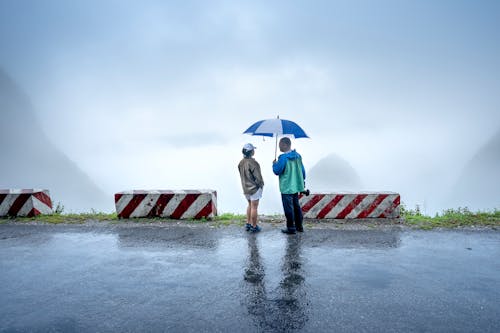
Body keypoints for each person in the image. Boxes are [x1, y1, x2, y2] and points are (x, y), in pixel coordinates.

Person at [272, 137, 306, 234]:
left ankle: (290, 228)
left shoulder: (283, 158)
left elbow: (277, 171)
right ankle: (299, 226)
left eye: (280, 145)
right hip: (296, 186)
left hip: (286, 187)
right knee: (296, 206)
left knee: (288, 208)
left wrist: (274, 164)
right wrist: (301, 181)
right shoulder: (298, 156)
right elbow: (302, 171)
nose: (279, 147)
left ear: (285, 144)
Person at [238, 143, 264, 233]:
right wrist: (261, 185)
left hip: (245, 188)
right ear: (251, 152)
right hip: (254, 188)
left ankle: (248, 223)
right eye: (253, 150)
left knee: (249, 205)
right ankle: (254, 226)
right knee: (254, 207)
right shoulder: (253, 163)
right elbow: (258, 178)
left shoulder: (241, 162)